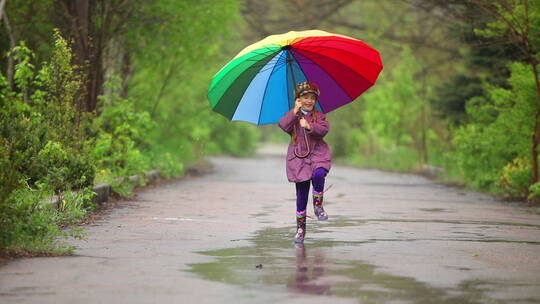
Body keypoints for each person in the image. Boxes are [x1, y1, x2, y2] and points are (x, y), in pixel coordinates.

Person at [278, 81, 331, 243]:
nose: (309, 101)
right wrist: (295, 112)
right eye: (305, 97)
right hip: (299, 157)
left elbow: (324, 130)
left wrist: (309, 126)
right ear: (298, 99)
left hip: (317, 154)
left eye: (312, 98)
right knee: (301, 194)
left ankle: (318, 205)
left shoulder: (319, 116)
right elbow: (283, 125)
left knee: (319, 173)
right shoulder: (293, 115)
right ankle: (300, 229)